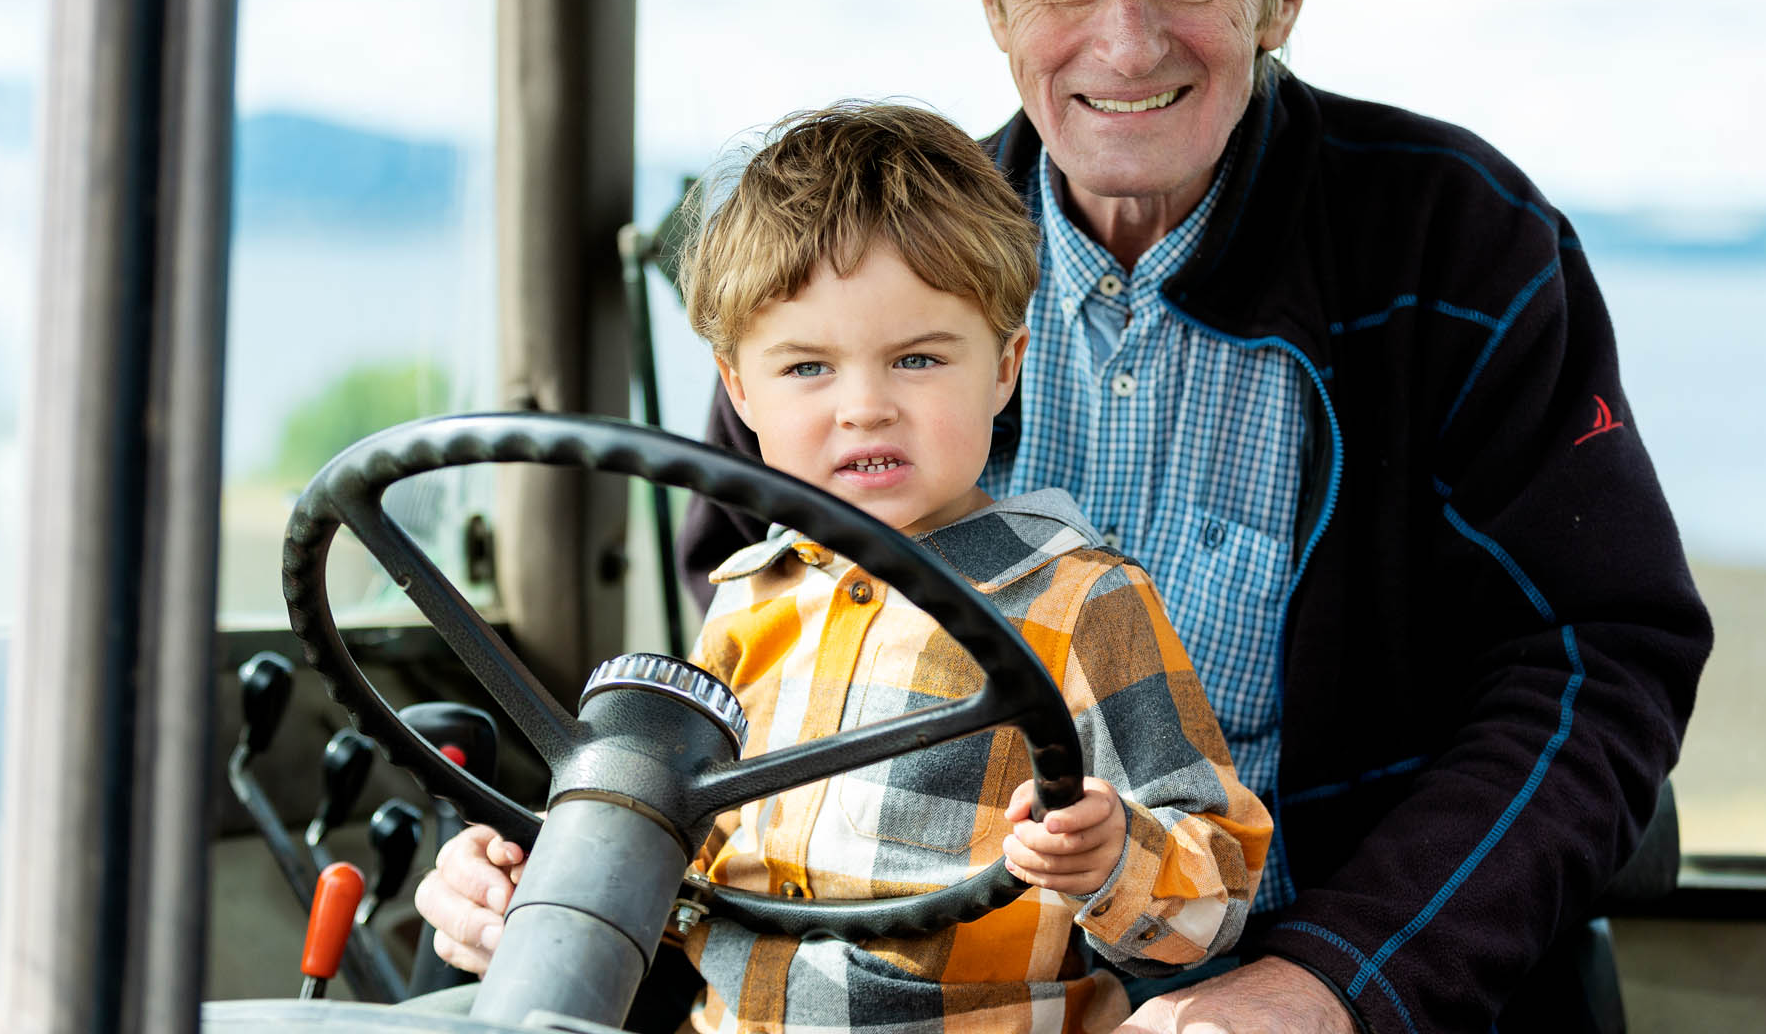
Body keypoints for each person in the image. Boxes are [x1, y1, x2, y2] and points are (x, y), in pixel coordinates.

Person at [427, 0, 1712, 1030]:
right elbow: (753, 720)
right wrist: (580, 881)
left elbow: (1596, 665)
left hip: (1333, 964)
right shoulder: (859, 286)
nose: (1127, 38)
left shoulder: (1456, 244)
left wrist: (1331, 983)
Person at [426, 102, 1274, 1034]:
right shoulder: (747, 603)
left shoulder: (1081, 602)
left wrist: (1115, 856)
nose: (865, 407)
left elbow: (1215, 892)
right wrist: (528, 888)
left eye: (916, 358)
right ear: (738, 387)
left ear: (1005, 367)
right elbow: (671, 877)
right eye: (807, 369)